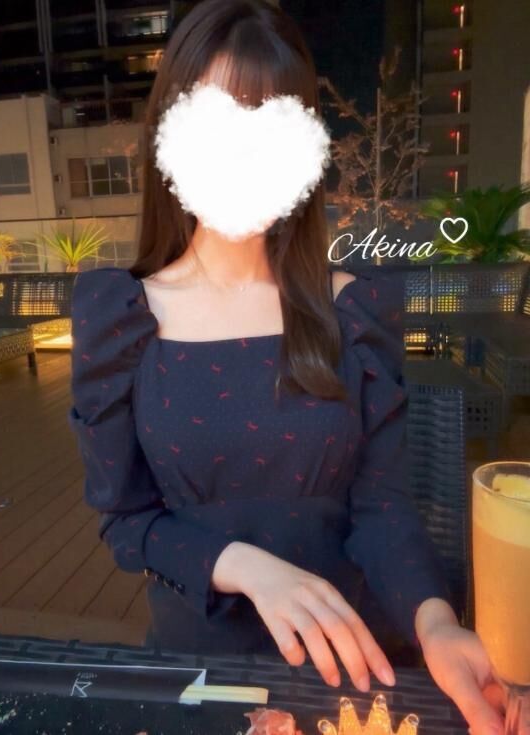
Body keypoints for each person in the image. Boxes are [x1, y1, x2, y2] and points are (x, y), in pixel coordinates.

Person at [67, 2, 506, 734]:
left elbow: (383, 509)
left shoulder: (352, 312)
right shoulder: (122, 319)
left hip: (355, 670)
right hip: (200, 670)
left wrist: (437, 624)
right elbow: (128, 522)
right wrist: (244, 564)